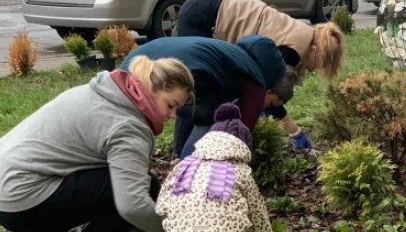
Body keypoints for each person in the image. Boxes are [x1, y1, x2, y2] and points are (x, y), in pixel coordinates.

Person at [0, 57, 194, 232]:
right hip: (20, 202)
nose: (173, 116)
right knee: (141, 189)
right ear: (150, 89)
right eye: (171, 105)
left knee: (104, 177)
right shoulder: (128, 126)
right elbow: (132, 205)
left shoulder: (101, 92)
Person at [176, 0, 345, 148]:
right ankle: (181, 154)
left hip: (207, 3)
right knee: (195, 94)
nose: (315, 70)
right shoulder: (290, 52)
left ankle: (189, 149)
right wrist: (295, 132)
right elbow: (269, 96)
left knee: (207, 94)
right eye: (320, 64)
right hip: (203, 17)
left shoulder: (303, 34)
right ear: (315, 51)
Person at [156, 103, 277, 232]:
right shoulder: (240, 171)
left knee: (200, 218)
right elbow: (258, 215)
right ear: (242, 145)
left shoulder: (185, 165)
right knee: (238, 213)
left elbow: (162, 205)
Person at [122, 35, 293, 159]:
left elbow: (187, 111)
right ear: (269, 90)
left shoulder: (231, 53)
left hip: (136, 62)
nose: (264, 108)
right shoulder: (257, 87)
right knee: (211, 124)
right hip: (173, 70)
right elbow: (236, 136)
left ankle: (179, 162)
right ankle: (190, 177)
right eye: (270, 103)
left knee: (129, 125)